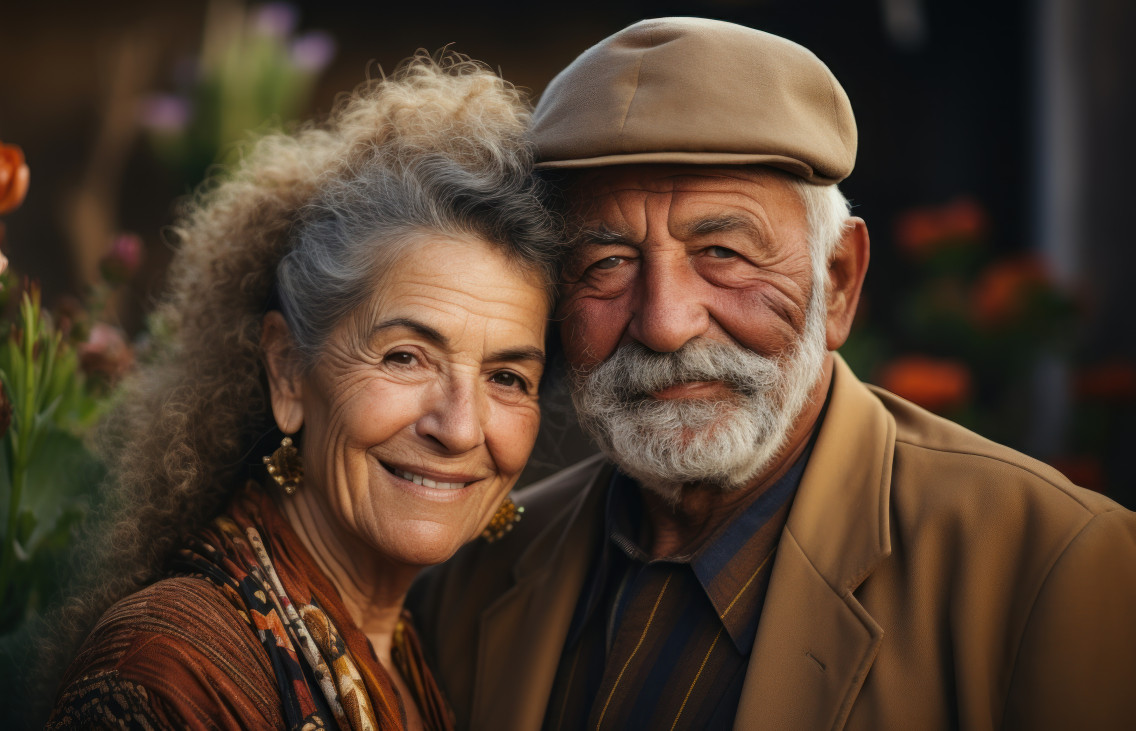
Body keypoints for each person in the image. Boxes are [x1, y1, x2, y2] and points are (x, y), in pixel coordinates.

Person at [409, 18, 1136, 730]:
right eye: (607, 264)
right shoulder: (475, 573)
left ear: (840, 282)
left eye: (723, 251)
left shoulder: (1054, 571)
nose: (665, 323)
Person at [45, 54, 562, 730]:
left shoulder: (416, 651)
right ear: (289, 371)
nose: (461, 427)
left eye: (506, 377)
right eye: (406, 357)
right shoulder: (167, 670)